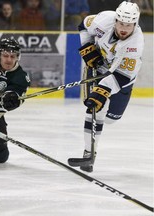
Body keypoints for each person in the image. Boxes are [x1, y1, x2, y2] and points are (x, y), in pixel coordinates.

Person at [68, 1, 144, 172]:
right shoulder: (103, 19)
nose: (124, 28)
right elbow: (83, 25)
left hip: (120, 78)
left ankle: (102, 113)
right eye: (121, 23)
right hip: (97, 67)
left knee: (111, 118)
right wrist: (88, 49)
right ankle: (89, 153)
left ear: (135, 24)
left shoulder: (135, 45)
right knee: (95, 108)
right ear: (116, 19)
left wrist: (103, 90)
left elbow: (123, 76)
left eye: (129, 25)